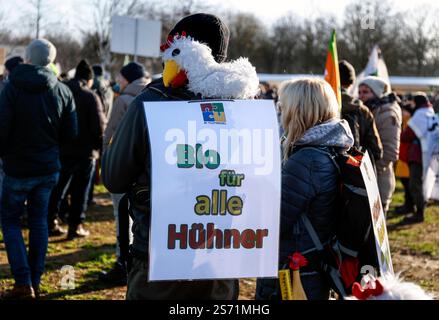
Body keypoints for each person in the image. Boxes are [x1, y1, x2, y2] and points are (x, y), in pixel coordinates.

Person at [102, 13, 241, 300]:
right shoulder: (246, 109)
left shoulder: (150, 102)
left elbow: (114, 178)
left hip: (158, 256)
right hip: (220, 258)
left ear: (184, 50)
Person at [255, 78, 354, 300]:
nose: (280, 112)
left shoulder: (307, 160)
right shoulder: (331, 147)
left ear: (298, 111)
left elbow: (274, 222)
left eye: (282, 106)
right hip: (313, 265)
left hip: (294, 272)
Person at [0, 39, 77, 299]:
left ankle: (24, 283)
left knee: (10, 221)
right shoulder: (63, 91)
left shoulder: (11, 88)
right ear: (51, 61)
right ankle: (33, 280)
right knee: (38, 222)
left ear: (29, 58)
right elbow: (71, 134)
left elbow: (2, 130)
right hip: (46, 169)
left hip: (17, 169)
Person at [99, 61, 150, 285]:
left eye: (121, 77)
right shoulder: (155, 95)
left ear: (128, 78)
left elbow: (110, 132)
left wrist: (105, 159)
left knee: (121, 218)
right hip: (145, 174)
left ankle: (122, 263)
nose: (118, 81)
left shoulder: (124, 100)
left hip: (124, 166)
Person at [48, 59, 106, 239]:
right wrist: (98, 148)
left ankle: (51, 221)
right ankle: (75, 226)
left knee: (57, 189)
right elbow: (99, 127)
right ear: (88, 79)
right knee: (80, 192)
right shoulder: (90, 96)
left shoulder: (59, 90)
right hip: (84, 153)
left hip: (62, 150)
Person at [358, 76, 402, 214]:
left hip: (379, 180)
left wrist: (367, 171)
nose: (361, 96)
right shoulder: (370, 110)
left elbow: (390, 152)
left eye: (365, 92)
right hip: (369, 180)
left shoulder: (387, 114)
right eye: (359, 92)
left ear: (377, 93)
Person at [339, 61, 383, 164]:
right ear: (352, 83)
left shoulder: (320, 108)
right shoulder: (362, 110)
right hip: (353, 170)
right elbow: (376, 151)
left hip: (325, 172)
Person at [400, 93, 435, 223]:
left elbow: (406, 136)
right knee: (422, 182)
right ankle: (418, 209)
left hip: (418, 155)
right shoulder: (430, 113)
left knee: (415, 184)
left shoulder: (419, 116)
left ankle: (419, 213)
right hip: (428, 154)